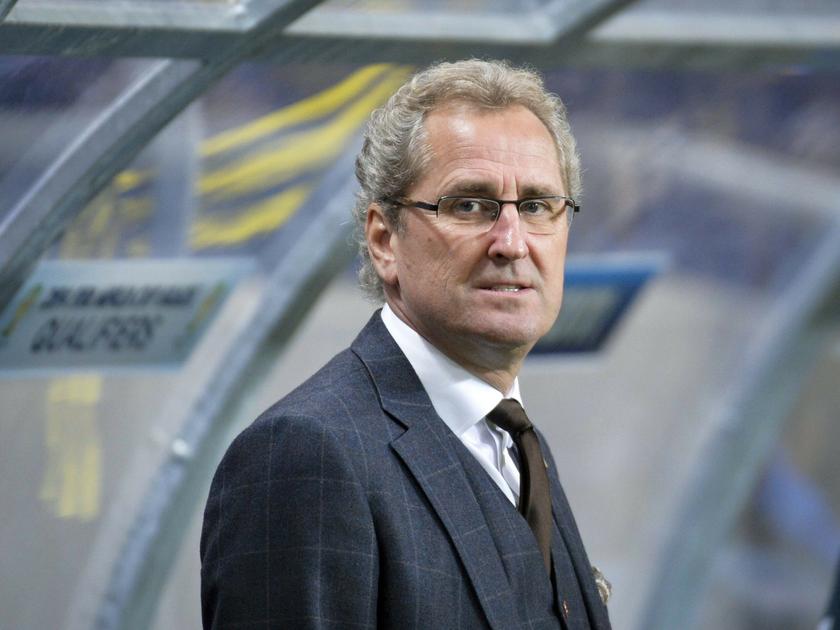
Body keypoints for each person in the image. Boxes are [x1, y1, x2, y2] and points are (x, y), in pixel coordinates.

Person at [200, 58, 612, 630]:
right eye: (470, 205)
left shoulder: (517, 441)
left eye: (539, 206)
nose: (512, 242)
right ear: (383, 240)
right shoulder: (305, 456)